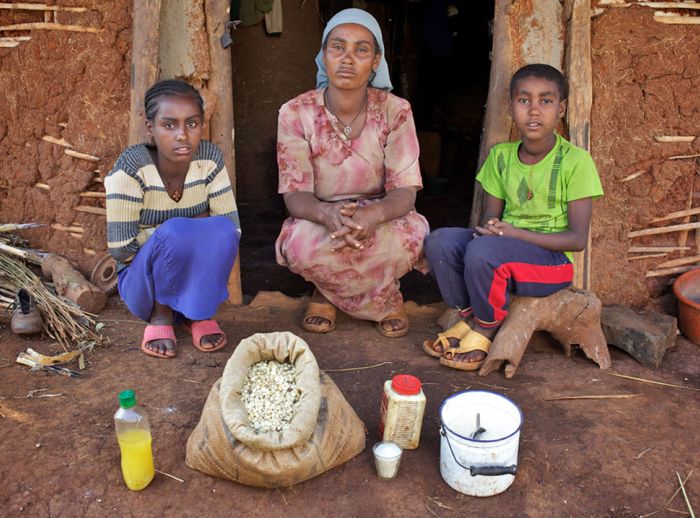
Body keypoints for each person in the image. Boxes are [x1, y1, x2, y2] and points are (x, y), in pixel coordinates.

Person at [423, 63, 603, 371]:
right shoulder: (501, 157)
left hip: (552, 263)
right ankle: (470, 315)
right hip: (505, 252)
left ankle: (487, 326)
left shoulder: (576, 162)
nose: (534, 110)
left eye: (545, 101)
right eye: (524, 100)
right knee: (440, 242)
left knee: (483, 251)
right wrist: (491, 231)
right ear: (511, 106)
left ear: (560, 109)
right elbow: (488, 222)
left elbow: (576, 240)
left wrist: (514, 235)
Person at [274, 8, 429, 338]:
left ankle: (369, 296)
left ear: (376, 61)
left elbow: (405, 192)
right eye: (337, 47)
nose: (348, 58)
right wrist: (326, 213)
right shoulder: (295, 112)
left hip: (380, 212)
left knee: (412, 236)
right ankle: (336, 292)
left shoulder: (395, 110)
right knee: (299, 243)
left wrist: (372, 215)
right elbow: (295, 194)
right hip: (322, 215)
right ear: (323, 55)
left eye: (361, 49)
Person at [105, 79, 241, 359]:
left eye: (192, 124)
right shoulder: (132, 168)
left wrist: (172, 233)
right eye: (169, 125)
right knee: (178, 232)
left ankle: (198, 313)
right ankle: (161, 316)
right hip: (141, 286)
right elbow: (121, 248)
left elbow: (232, 229)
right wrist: (178, 229)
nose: (182, 134)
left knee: (221, 233)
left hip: (193, 279)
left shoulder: (210, 159)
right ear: (150, 129)